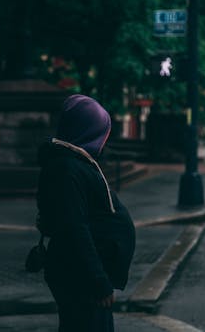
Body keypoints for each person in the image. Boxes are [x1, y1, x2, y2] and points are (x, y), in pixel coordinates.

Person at [36, 94, 136, 332]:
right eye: (101, 133)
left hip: (80, 277)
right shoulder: (68, 169)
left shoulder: (72, 164)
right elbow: (75, 229)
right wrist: (99, 282)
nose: (103, 142)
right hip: (81, 281)